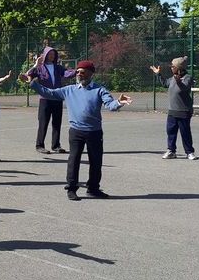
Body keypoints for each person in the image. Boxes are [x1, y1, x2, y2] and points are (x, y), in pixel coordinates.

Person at [20, 60, 131, 200]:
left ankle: (93, 189)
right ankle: (71, 189)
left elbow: (110, 105)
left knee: (96, 161)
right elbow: (49, 93)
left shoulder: (100, 90)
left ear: (91, 73)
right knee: (74, 160)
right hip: (76, 131)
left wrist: (119, 102)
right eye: (77, 71)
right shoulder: (69, 90)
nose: (79, 74)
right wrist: (32, 83)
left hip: (94, 132)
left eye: (82, 72)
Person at [25, 46, 76, 154]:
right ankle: (39, 145)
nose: (52, 56)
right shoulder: (39, 68)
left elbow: (67, 74)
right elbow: (28, 75)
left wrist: (77, 71)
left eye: (53, 54)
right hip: (45, 99)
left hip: (57, 98)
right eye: (49, 54)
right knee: (43, 123)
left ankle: (56, 145)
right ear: (45, 55)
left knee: (57, 123)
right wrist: (36, 65)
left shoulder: (58, 67)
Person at [150, 57, 196, 160]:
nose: (171, 68)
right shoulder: (172, 79)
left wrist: (178, 81)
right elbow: (165, 83)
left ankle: (189, 152)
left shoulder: (188, 78)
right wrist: (158, 74)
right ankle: (171, 151)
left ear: (179, 68)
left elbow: (184, 88)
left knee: (185, 133)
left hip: (184, 111)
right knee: (171, 132)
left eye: (173, 66)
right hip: (172, 111)